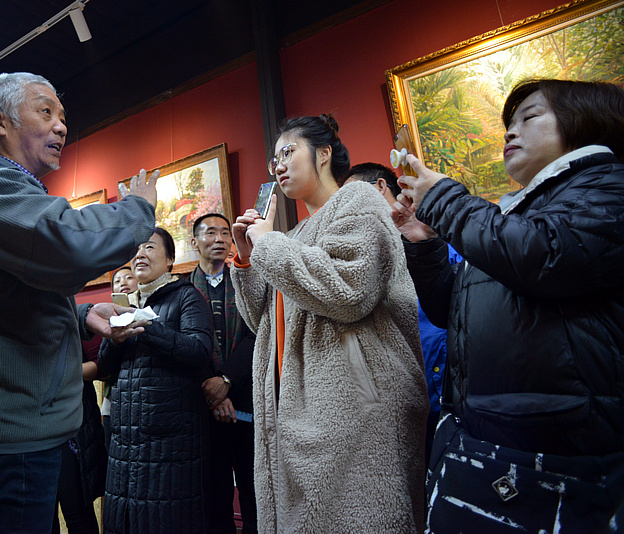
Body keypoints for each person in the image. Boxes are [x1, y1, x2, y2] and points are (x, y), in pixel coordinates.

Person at [0, 72, 158, 533]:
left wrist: (83, 314)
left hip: (9, 436)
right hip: (0, 441)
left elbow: (4, 300)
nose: (61, 126)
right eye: (45, 112)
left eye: (63, 117)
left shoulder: (8, 193)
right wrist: (139, 207)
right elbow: (68, 244)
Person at [393, 79, 624, 532]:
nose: (510, 132)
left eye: (528, 117)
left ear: (585, 120)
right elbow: (451, 311)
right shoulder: (516, 212)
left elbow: (545, 256)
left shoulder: (608, 185)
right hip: (486, 447)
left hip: (562, 460)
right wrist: (424, 245)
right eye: (508, 124)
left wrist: (442, 197)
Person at [231, 115, 428, 533]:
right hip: (300, 409)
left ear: (323, 154)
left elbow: (349, 291)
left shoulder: (359, 199)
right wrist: (248, 258)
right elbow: (261, 325)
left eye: (288, 152)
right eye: (274, 160)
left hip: (355, 410)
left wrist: (269, 243)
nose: (278, 165)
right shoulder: (297, 231)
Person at [98, 227, 215, 534]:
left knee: (166, 519)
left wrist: (147, 325)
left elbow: (199, 352)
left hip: (171, 440)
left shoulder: (187, 296)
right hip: (125, 438)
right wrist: (114, 338)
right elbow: (104, 367)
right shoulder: (123, 304)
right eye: (136, 249)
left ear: (170, 260)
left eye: (149, 247)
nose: (140, 254)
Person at [346, 163, 462, 463]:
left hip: (452, 397)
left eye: (351, 195)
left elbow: (454, 309)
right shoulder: (364, 251)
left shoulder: (430, 232)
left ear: (381, 186)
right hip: (400, 403)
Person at [189, 213, 257, 534]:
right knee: (214, 495)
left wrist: (225, 381)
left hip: (246, 400)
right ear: (194, 243)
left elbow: (257, 334)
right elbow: (186, 345)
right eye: (210, 233)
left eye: (225, 233)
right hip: (202, 407)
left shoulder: (245, 281)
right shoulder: (182, 291)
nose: (219, 239)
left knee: (253, 487)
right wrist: (211, 390)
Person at [52, 337, 107, 534]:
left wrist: (63, 373)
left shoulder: (77, 317)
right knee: (40, 518)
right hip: (28, 431)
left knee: (77, 514)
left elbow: (101, 365)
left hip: (70, 431)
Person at [100, 267, 140, 450]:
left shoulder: (150, 311)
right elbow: (104, 364)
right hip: (114, 399)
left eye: (129, 277)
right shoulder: (107, 319)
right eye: (117, 281)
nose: (123, 282)